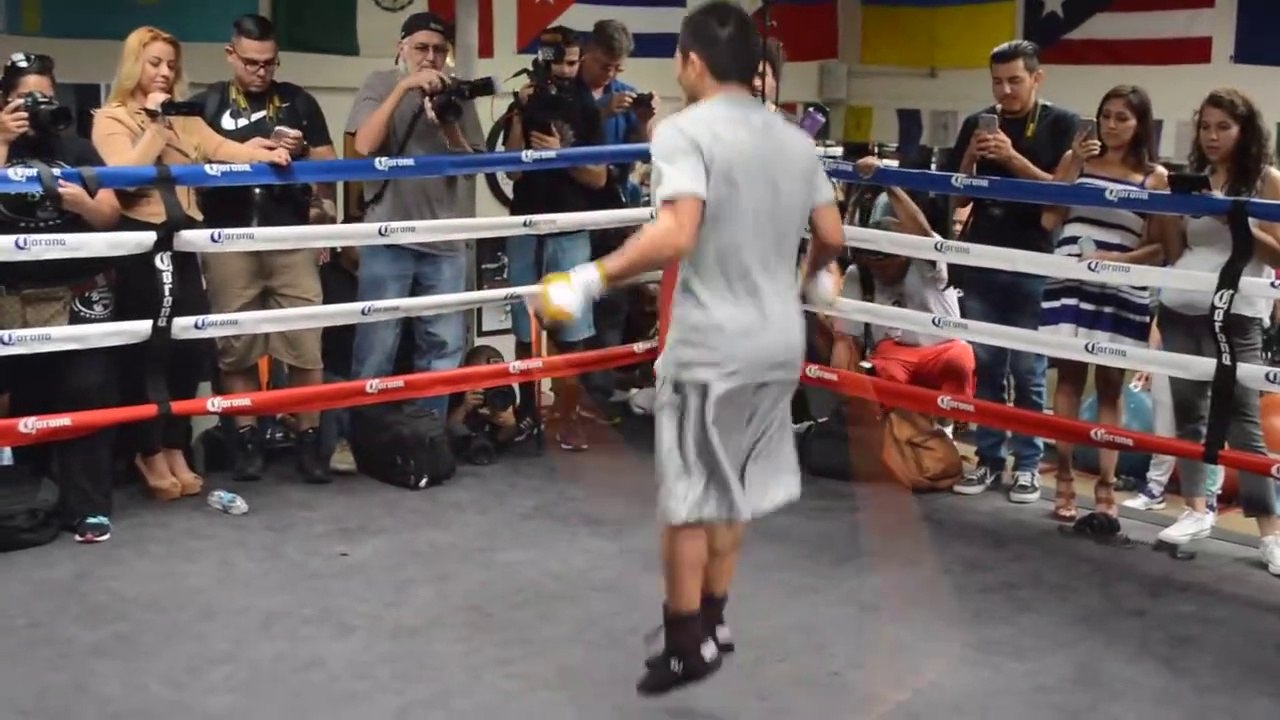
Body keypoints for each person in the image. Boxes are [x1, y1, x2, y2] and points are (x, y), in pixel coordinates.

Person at [531, 1, 845, 695]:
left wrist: (589, 276)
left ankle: (683, 643)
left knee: (686, 498)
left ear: (693, 62)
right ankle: (716, 617)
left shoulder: (684, 131)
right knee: (729, 487)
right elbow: (831, 232)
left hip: (713, 344)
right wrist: (812, 276)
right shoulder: (795, 141)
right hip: (777, 342)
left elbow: (677, 233)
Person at [91, 26, 291, 503]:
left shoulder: (185, 117)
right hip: (140, 245)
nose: (164, 72)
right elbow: (123, 178)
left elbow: (223, 148)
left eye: (170, 65)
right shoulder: (110, 118)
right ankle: (146, 448)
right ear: (134, 65)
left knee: (188, 352)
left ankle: (175, 443)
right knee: (148, 354)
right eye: (155, 62)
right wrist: (156, 127)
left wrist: (264, 152)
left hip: (183, 242)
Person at [190, 14, 338, 484]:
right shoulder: (207, 104)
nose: (260, 71)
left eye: (269, 63)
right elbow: (181, 161)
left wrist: (321, 216)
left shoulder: (299, 101)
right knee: (237, 350)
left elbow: (329, 171)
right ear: (231, 55)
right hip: (228, 239)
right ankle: (248, 439)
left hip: (290, 238)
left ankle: (310, 441)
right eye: (251, 62)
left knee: (305, 348)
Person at [944, 40, 1077, 503]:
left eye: (1015, 81)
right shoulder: (977, 122)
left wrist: (1013, 158)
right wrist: (972, 159)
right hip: (984, 255)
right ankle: (987, 459)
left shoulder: (1063, 125)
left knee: (1028, 369)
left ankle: (1027, 464)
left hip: (1035, 259)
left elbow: (1062, 195)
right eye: (997, 82)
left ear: (1037, 78)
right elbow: (957, 198)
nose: (1005, 91)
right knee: (987, 365)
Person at [1154, 87, 1280, 576]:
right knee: (1188, 411)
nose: (1211, 136)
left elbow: (1278, 255)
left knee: (1243, 420)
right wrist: (1168, 206)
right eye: (1204, 126)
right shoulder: (1197, 179)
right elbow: (1174, 248)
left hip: (1238, 310)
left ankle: (1269, 533)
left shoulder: (1267, 180)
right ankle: (1195, 509)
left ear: (1244, 130)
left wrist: (1236, 215)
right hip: (1180, 306)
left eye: (1222, 127)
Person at [0, 52, 123, 543]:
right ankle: (27, 500)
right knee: (24, 400)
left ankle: (87, 507)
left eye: (45, 97)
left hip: (75, 294)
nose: (36, 107)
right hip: (10, 298)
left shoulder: (77, 148)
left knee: (86, 392)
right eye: (25, 98)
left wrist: (81, 202)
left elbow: (110, 216)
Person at [345, 11, 485, 422]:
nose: (430, 57)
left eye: (439, 50)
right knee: (376, 344)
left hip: (444, 241)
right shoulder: (380, 83)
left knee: (442, 347)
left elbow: (472, 165)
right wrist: (405, 87)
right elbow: (364, 146)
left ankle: (427, 434)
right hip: (389, 236)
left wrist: (449, 125)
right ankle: (365, 435)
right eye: (421, 48)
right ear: (401, 48)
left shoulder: (457, 93)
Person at [1038, 85, 1168, 521]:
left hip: (1121, 286)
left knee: (1111, 385)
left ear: (1140, 124)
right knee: (1070, 380)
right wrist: (1073, 162)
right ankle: (1065, 477)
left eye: (1122, 118)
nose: (1112, 125)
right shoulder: (1079, 162)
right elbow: (1049, 218)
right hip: (1072, 279)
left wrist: (1118, 259)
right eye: (1106, 115)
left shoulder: (1156, 177)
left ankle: (1108, 484)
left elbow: (1160, 247)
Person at [503, 25, 607, 451]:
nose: (567, 69)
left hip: (570, 228)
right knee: (525, 329)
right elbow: (512, 169)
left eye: (573, 60)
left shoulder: (586, 107)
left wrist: (560, 157)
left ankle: (567, 416)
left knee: (571, 330)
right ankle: (528, 414)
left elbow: (599, 177)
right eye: (561, 60)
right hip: (527, 223)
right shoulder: (526, 100)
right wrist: (516, 115)